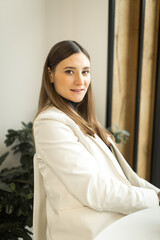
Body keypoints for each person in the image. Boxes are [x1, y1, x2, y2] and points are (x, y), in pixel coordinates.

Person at [33, 40, 160, 240]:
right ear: (50, 74)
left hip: (113, 227)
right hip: (86, 233)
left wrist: (155, 194)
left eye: (85, 71)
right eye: (69, 71)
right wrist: (154, 198)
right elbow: (93, 189)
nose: (80, 81)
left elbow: (126, 179)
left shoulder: (84, 121)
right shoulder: (49, 123)